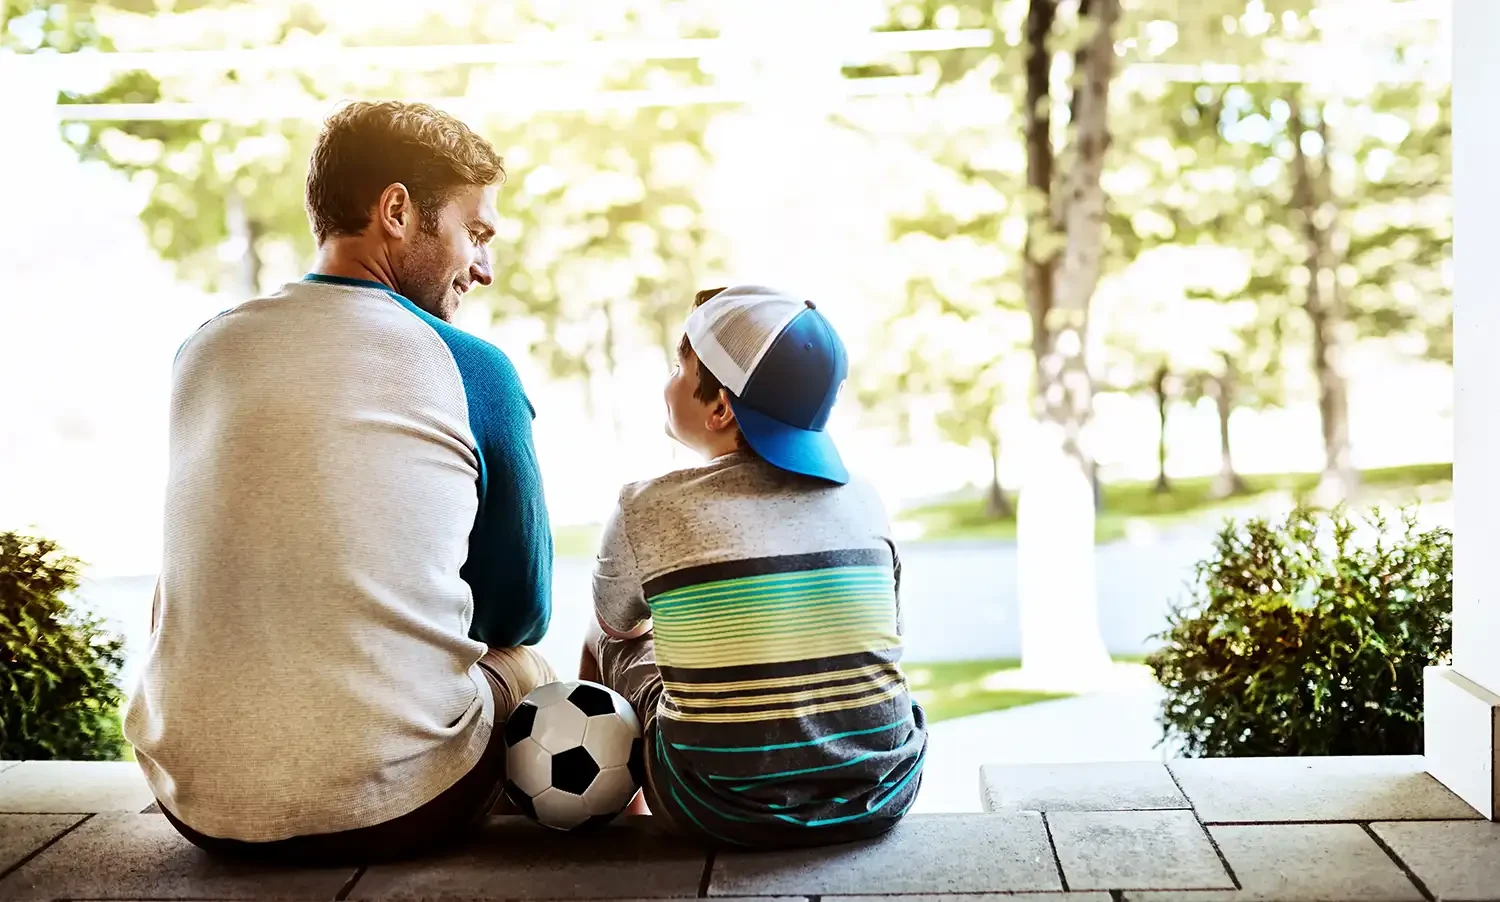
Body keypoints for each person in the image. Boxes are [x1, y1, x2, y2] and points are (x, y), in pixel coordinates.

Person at [124, 101, 556, 863]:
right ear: (397, 211)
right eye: (476, 233)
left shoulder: (204, 350)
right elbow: (519, 612)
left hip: (195, 803)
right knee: (530, 669)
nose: (483, 269)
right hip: (400, 807)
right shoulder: (473, 370)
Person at [582, 285, 927, 848]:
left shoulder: (645, 506)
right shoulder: (866, 499)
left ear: (720, 407)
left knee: (602, 635)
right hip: (881, 792)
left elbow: (619, 625)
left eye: (679, 367)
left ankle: (620, 813)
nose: (668, 381)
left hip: (712, 808)